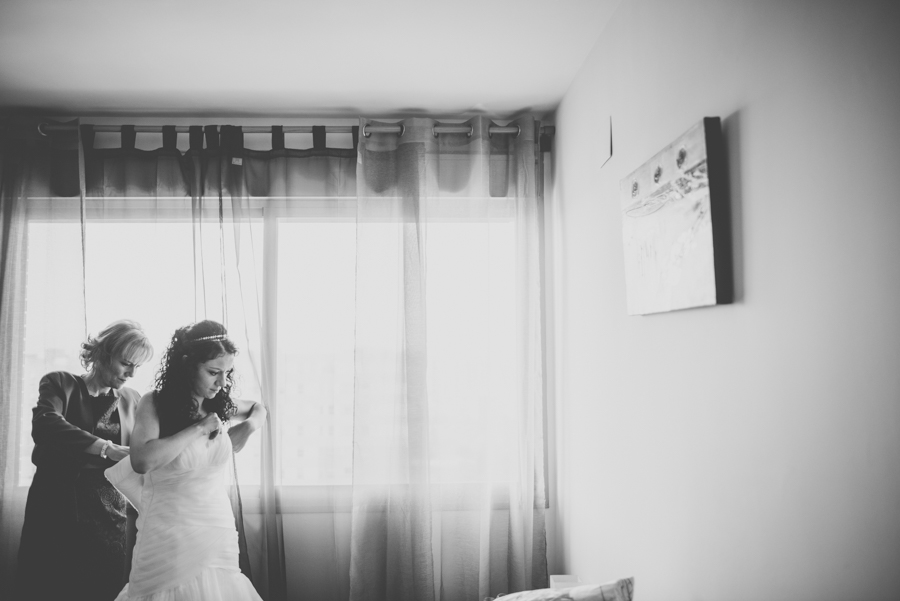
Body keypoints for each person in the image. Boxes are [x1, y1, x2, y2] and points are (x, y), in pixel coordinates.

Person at [106, 320, 267, 601]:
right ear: (187, 366)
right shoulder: (155, 403)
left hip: (216, 525)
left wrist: (251, 426)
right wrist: (199, 429)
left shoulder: (219, 403)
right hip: (170, 532)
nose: (222, 382)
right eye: (213, 372)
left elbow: (258, 407)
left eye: (227, 373)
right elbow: (142, 461)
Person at [16, 319, 154, 601]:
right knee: (50, 586)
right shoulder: (59, 383)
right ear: (104, 354)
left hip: (108, 513)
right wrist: (106, 448)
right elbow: (46, 425)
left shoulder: (133, 399)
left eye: (136, 367)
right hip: (57, 505)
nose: (131, 373)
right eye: (126, 362)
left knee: (102, 589)